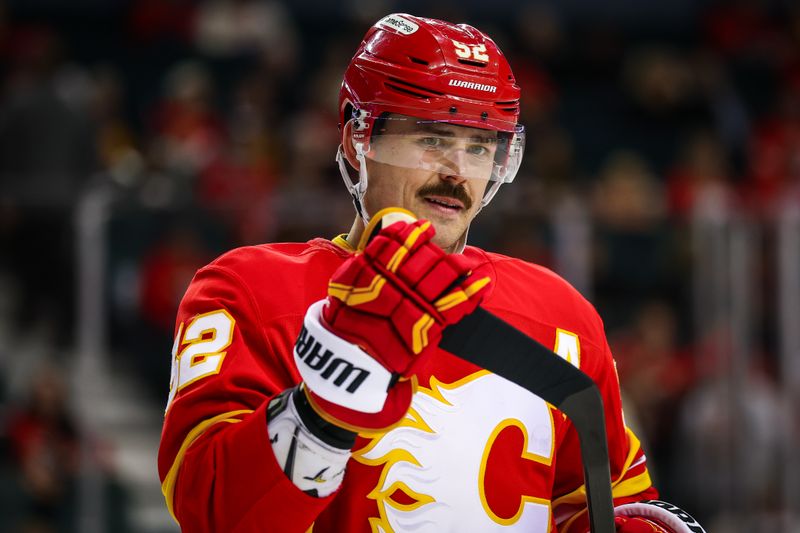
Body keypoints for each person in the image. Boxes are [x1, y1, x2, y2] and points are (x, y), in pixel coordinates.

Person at [158, 13, 705, 533]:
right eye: (430, 138)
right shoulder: (248, 291)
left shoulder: (561, 315)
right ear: (356, 138)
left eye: (479, 146)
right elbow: (209, 513)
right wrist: (321, 407)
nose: (456, 172)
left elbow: (601, 503)